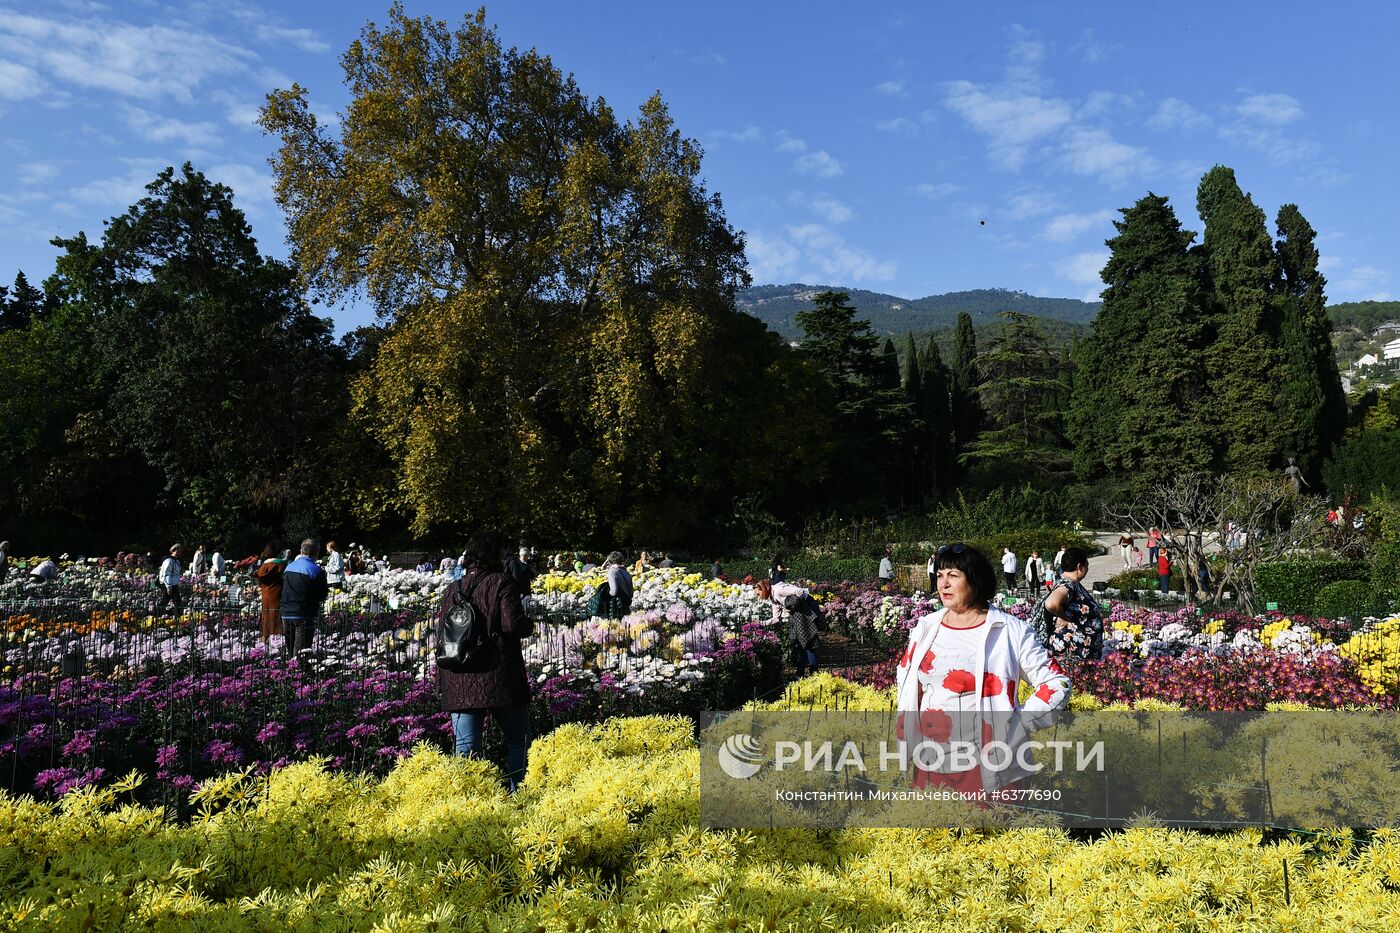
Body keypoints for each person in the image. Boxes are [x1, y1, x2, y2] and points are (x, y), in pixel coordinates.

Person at [895, 543, 1071, 797]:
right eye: (940, 576)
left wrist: (1021, 723)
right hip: (930, 762)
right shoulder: (925, 628)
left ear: (975, 581)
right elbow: (909, 682)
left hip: (987, 767)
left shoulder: (1011, 631)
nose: (943, 584)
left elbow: (1057, 683)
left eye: (953, 576)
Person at [437, 530, 535, 791]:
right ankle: (519, 797)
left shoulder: (450, 590)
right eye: (504, 550)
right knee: (518, 740)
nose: (507, 555)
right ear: (494, 553)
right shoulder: (502, 583)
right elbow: (512, 624)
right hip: (498, 674)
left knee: (466, 748)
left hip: (459, 675)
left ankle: (471, 808)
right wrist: (529, 624)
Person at [1039, 546, 1105, 662]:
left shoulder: (1069, 583)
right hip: (1073, 654)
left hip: (1079, 652)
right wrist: (1066, 617)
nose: (1087, 568)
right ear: (1080, 567)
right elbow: (1051, 603)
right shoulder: (1068, 585)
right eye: (1087, 565)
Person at [756, 577, 821, 678]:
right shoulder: (773, 598)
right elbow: (776, 618)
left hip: (807, 609)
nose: (758, 597)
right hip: (798, 614)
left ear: (763, 589)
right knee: (799, 644)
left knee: (809, 643)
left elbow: (799, 591)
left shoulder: (778, 589)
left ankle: (814, 676)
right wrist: (761, 623)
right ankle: (800, 675)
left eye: (758, 594)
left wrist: (793, 606)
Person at [281, 539, 329, 654]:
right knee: (301, 653)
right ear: (317, 553)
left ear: (301, 551)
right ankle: (299, 671)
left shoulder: (289, 567)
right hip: (304, 614)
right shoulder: (316, 570)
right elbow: (322, 595)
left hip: (286, 613)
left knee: (290, 650)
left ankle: (290, 671)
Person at [255, 544, 286, 645]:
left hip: (265, 594)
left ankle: (264, 640)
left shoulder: (264, 565)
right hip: (277, 593)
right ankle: (278, 641)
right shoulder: (280, 564)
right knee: (276, 616)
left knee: (266, 616)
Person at [155, 545, 183, 615]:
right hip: (168, 584)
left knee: (168, 600)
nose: (179, 553)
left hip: (173, 584)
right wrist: (168, 586)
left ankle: (158, 614)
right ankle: (178, 615)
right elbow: (167, 574)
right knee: (175, 601)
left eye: (180, 551)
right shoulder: (169, 560)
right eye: (177, 551)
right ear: (172, 551)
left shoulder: (176, 561)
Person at [604, 551, 633, 619]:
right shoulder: (627, 573)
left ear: (610, 562)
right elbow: (631, 594)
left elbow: (614, 592)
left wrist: (606, 593)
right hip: (626, 606)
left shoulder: (612, 572)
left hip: (616, 607)